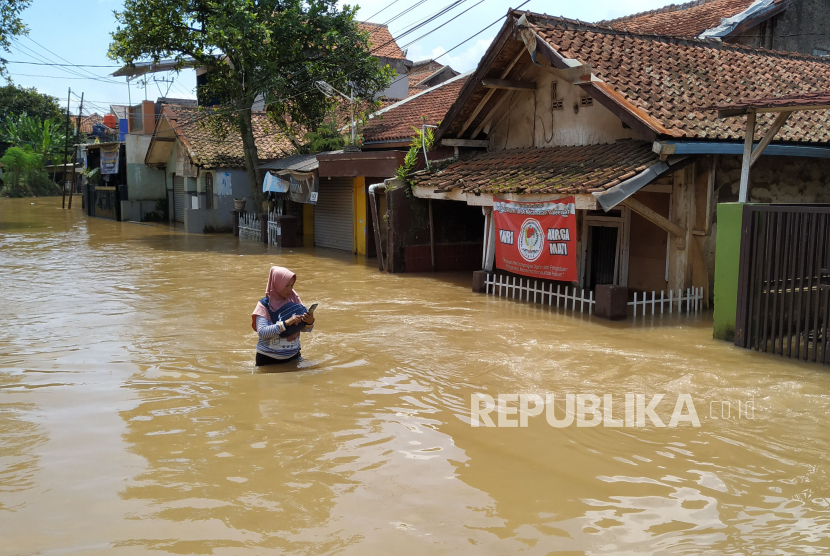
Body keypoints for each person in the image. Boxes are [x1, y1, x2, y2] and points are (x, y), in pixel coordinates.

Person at [251, 266, 315, 366]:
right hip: (268, 359)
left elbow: (305, 329)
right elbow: (262, 332)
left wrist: (310, 322)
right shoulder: (264, 305)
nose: (290, 289)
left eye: (292, 286)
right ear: (277, 285)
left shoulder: (295, 301)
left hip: (293, 357)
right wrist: (285, 323)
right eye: (286, 286)